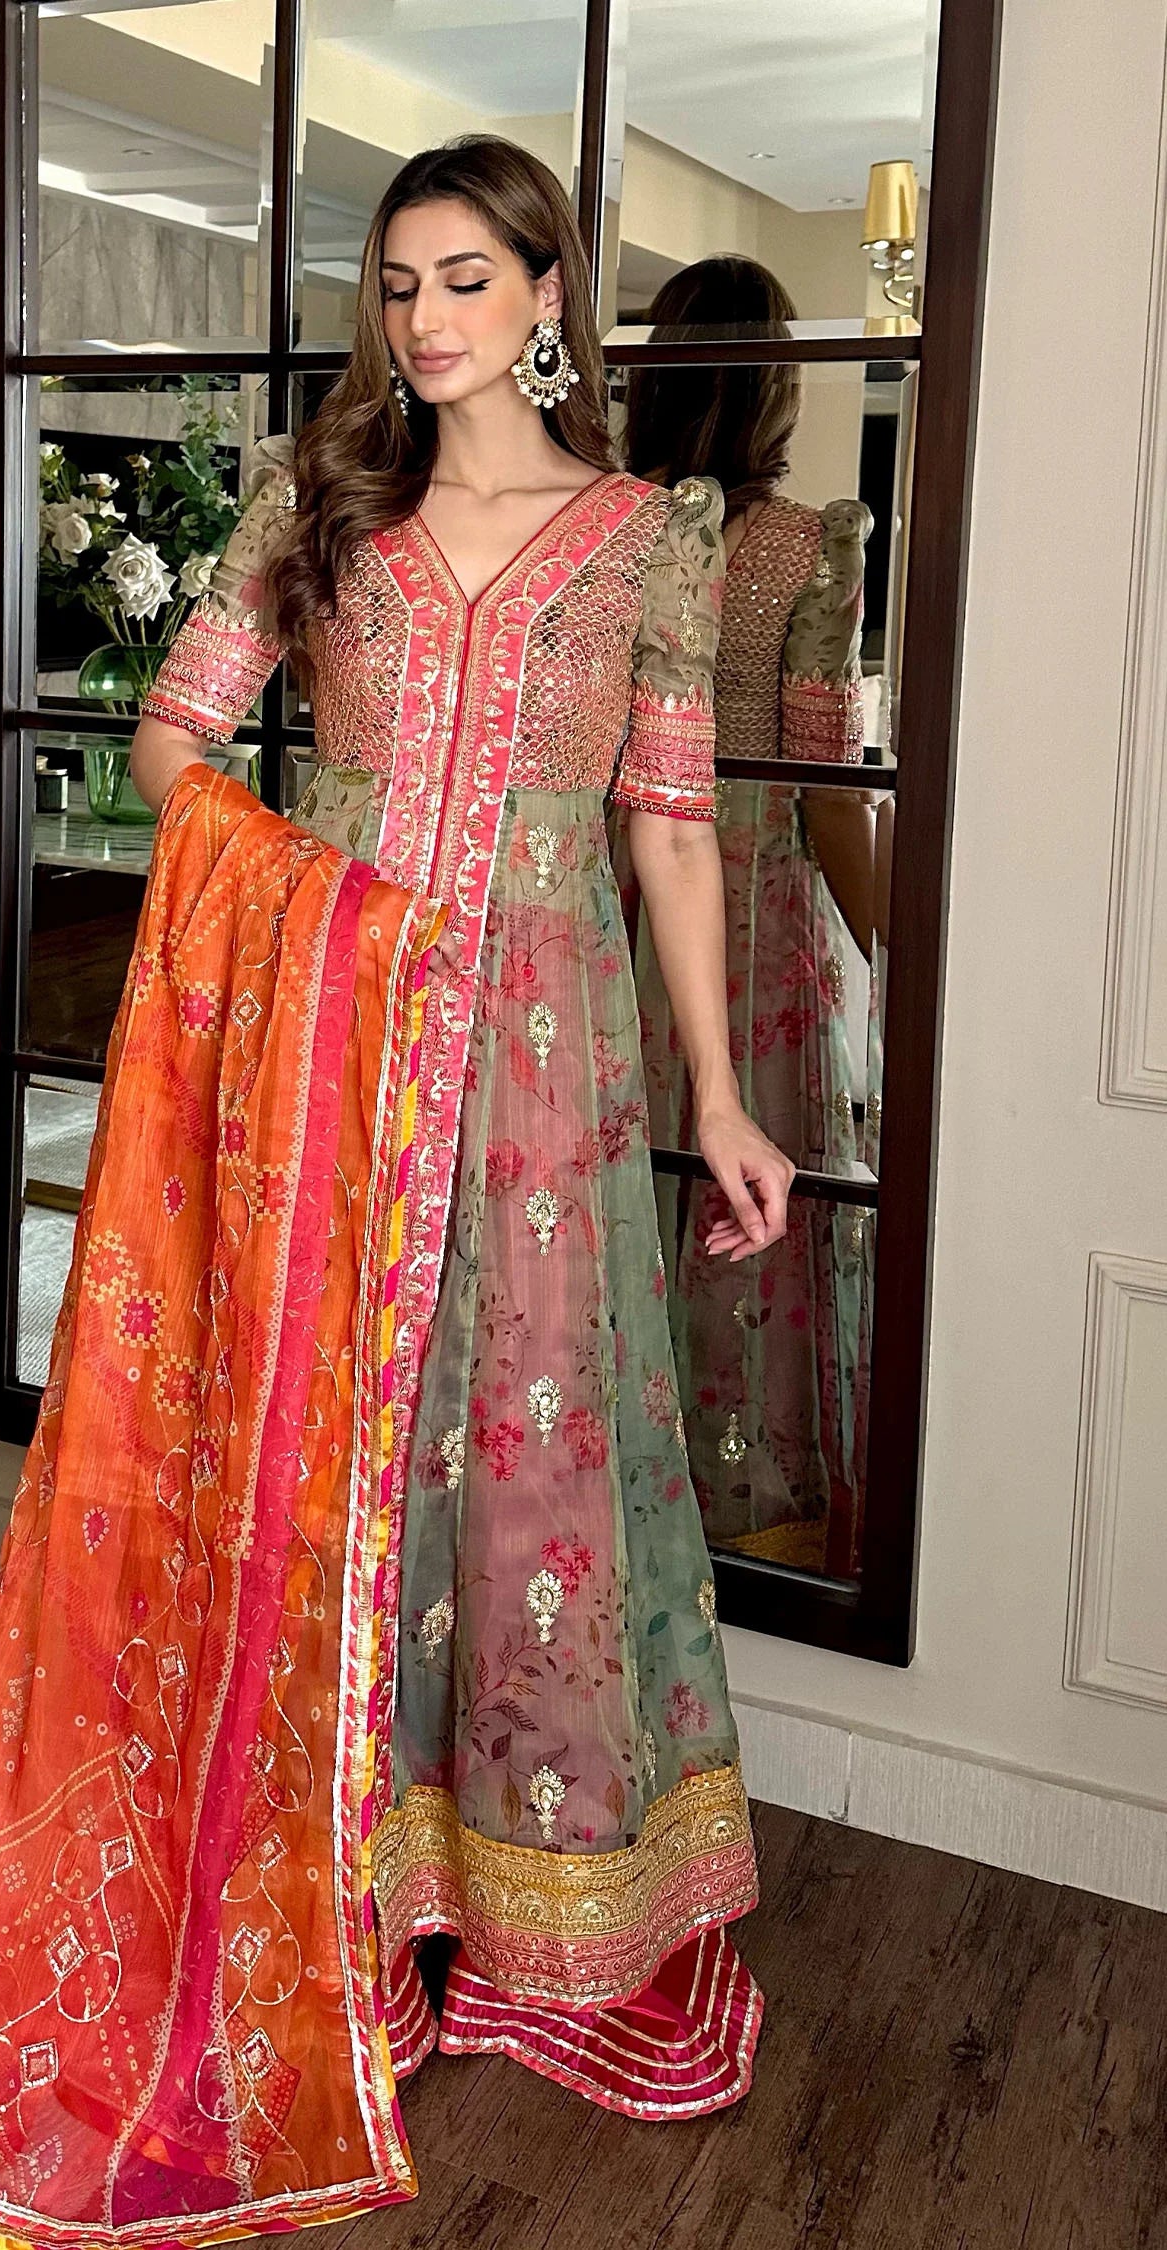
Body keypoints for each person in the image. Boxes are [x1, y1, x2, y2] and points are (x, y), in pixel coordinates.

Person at [0, 140, 789, 2247]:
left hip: (545, 1072)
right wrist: (310, 904)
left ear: (547, 294)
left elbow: (669, 832)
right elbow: (174, 740)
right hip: (334, 1048)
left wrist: (724, 1096)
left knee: (533, 1466)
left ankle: (538, 1930)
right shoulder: (326, 503)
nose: (424, 319)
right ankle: (333, 1899)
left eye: (465, 279)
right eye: (396, 284)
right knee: (326, 1458)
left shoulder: (646, 539)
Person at [610, 253, 881, 1579]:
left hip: (604, 898)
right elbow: (826, 795)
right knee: (751, 1185)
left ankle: (599, 1457)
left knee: (612, 1167)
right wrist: (901, 957)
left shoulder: (602, 533)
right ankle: (741, 1490)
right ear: (777, 384)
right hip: (752, 918)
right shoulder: (807, 549)